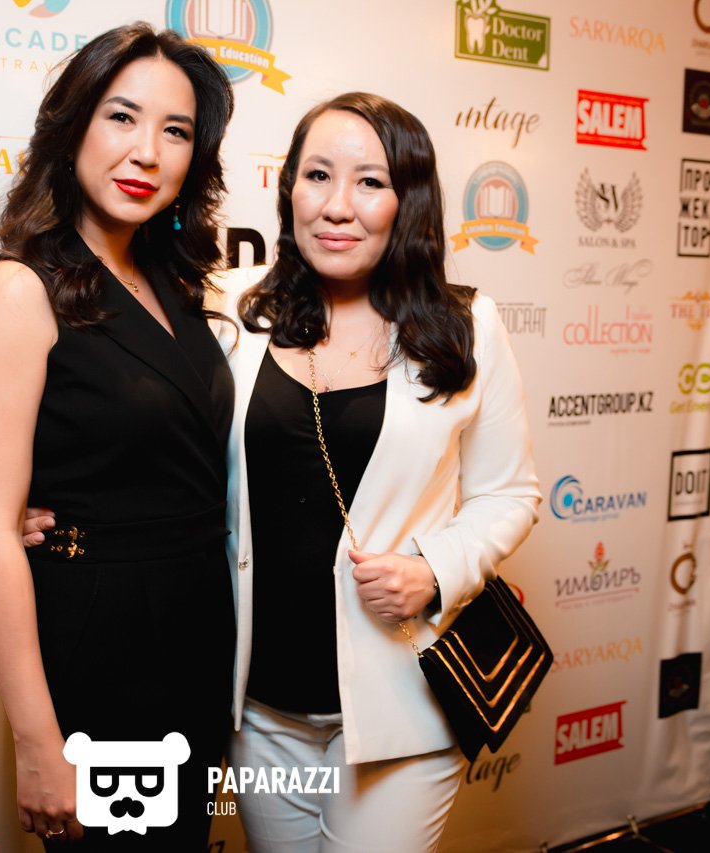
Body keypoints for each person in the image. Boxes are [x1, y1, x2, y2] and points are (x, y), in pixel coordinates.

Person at [218, 93, 541, 852]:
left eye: (369, 182)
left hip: (401, 708)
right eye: (317, 175)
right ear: (288, 189)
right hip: (259, 712)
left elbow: (510, 493)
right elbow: (151, 432)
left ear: (409, 201)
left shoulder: (466, 326)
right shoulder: (231, 307)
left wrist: (434, 569)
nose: (337, 205)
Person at [0, 23, 236, 851]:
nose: (147, 151)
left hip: (198, 631)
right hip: (102, 641)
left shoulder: (176, 286)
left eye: (176, 131)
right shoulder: (18, 288)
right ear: (72, 124)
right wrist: (38, 744)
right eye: (122, 117)